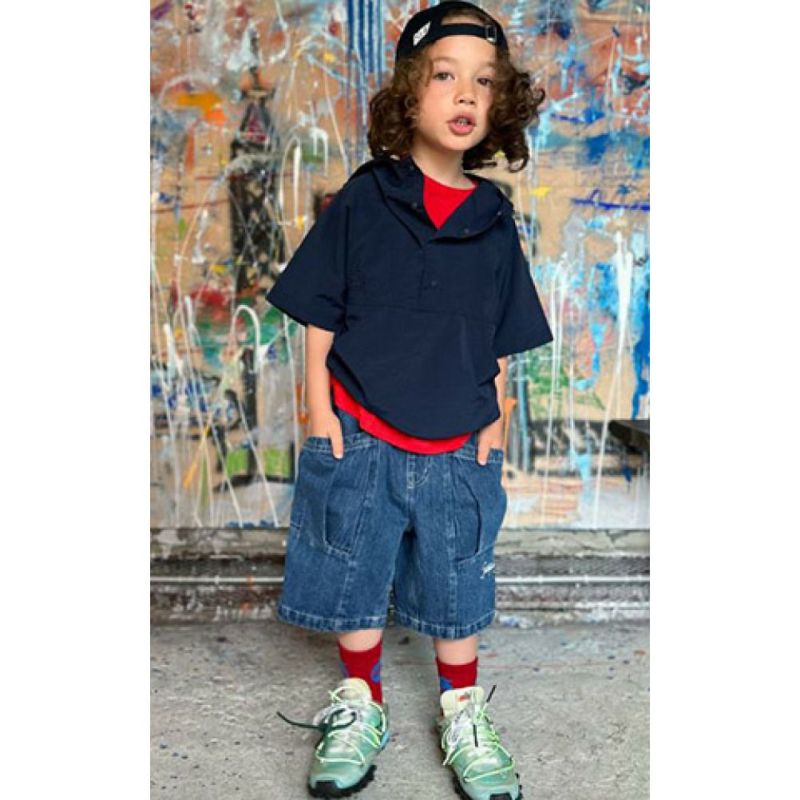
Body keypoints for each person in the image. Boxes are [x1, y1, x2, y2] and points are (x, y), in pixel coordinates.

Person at [268, 3, 552, 798]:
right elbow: (320, 311)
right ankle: (361, 701)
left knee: (457, 581)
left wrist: (495, 423)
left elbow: (500, 334)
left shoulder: (494, 219)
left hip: (459, 438)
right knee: (354, 567)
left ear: (499, 104)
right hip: (360, 426)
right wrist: (320, 411)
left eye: (483, 83)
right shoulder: (367, 199)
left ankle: (463, 712)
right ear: (408, 94)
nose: (465, 94)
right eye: (445, 76)